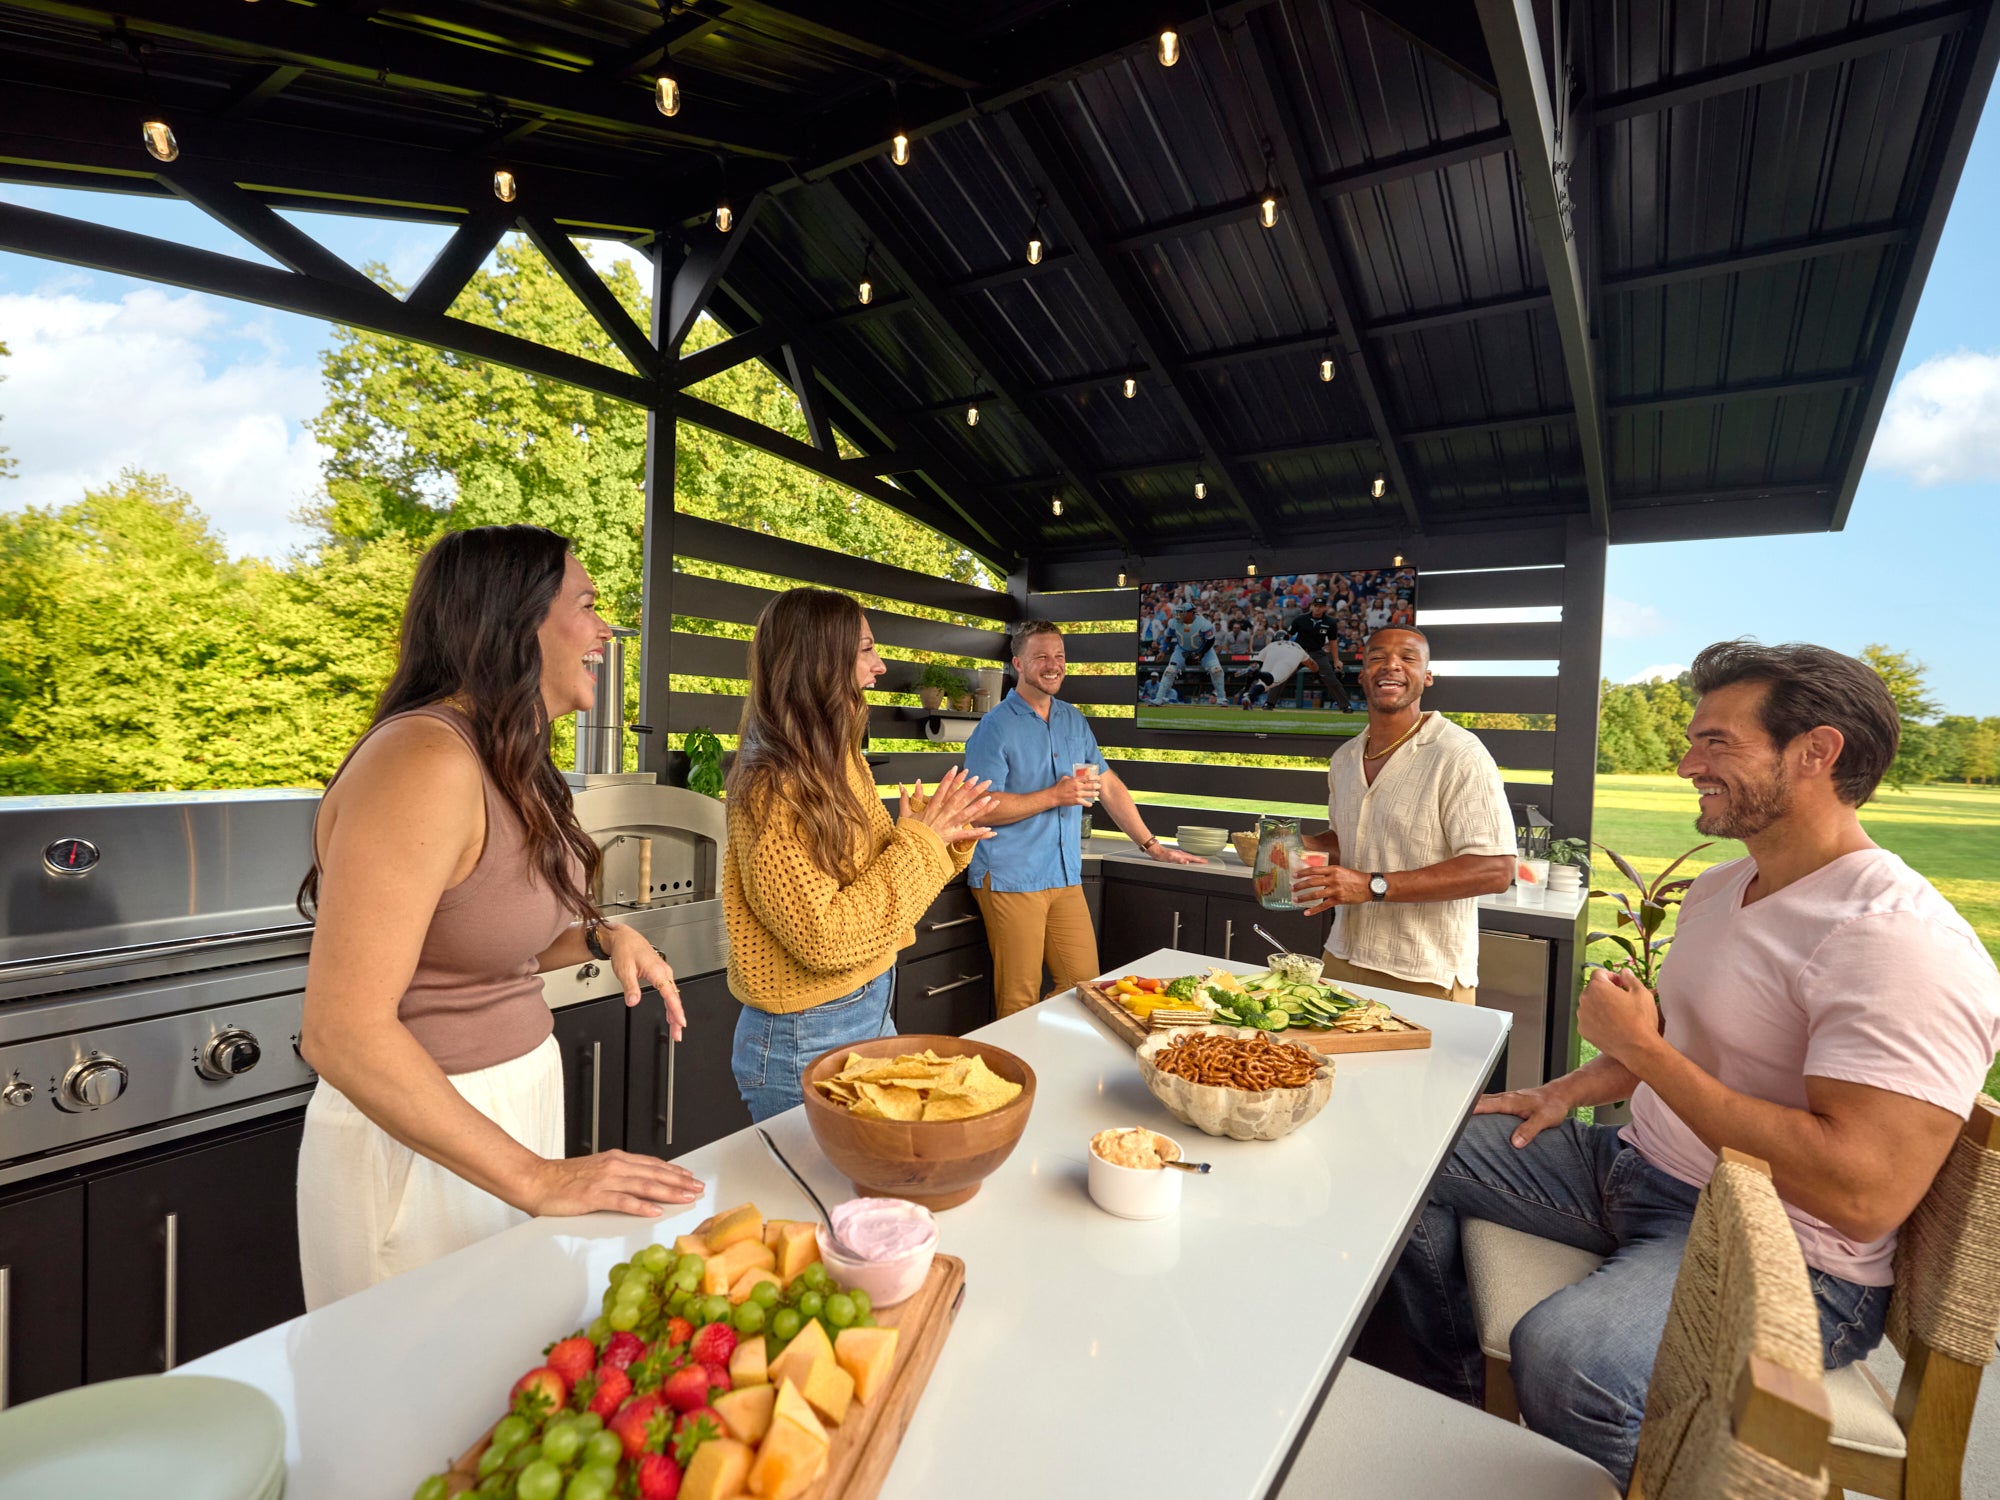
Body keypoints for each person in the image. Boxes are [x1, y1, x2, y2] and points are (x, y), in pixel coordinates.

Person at [1356, 639, 2000, 1489]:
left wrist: (1643, 1051)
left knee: (1568, 1357)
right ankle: (1456, 1409)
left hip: (1790, 1255)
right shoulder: (1720, 889)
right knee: (1398, 1140)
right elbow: (1689, 1049)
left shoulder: (1897, 941)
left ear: (1817, 752)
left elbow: (1861, 1189)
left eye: (1717, 742)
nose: (1687, 761)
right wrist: (1566, 1089)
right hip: (1636, 1168)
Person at [295, 525, 704, 1310]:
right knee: (418, 1416)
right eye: (586, 605)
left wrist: (601, 934)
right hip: (418, 1145)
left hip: (507, 1114)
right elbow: (342, 1032)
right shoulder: (424, 760)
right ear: (516, 620)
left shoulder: (507, 758)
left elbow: (487, 934)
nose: (605, 629)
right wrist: (536, 1177)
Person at [723, 588, 995, 1120]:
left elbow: (871, 886)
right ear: (822, 663)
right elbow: (826, 937)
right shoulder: (770, 788)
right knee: (815, 1201)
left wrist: (933, 837)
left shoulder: (840, 757)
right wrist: (920, 843)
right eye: (866, 650)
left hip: (869, 1004)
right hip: (804, 1032)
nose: (881, 665)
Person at [966, 621, 1203, 1016]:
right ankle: (1021, 1074)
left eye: (1059, 656)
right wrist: (1053, 796)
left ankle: (1050, 1057)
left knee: (1085, 986)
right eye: (1041, 656)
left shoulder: (1072, 720)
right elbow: (981, 804)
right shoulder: (995, 727)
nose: (1053, 665)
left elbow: (1108, 786)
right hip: (1011, 877)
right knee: (1019, 997)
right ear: (1018, 665)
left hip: (1063, 874)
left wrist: (1153, 846)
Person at [1290, 627, 1515, 1003]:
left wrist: (1371, 886)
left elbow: (1496, 870)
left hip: (1426, 974)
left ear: (1426, 676)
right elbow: (1353, 841)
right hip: (1341, 960)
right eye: (1377, 657)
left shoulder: (1459, 754)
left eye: (1407, 658)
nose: (1390, 665)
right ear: (1362, 674)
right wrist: (1295, 846)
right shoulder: (1345, 758)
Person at [1285, 596, 1354, 710]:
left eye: (1320, 607)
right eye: (1315, 606)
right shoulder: (1300, 619)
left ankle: (1345, 706)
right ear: (1311, 606)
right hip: (1299, 652)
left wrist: (1336, 660)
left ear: (1325, 608)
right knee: (1282, 675)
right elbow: (1288, 635)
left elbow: (1333, 642)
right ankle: (1269, 703)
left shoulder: (1330, 622)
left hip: (1317, 653)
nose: (1317, 609)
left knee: (1331, 679)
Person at [1150, 602, 1225, 705]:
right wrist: (1162, 651)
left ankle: (1221, 698)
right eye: (1179, 612)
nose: (1179, 615)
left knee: (1217, 670)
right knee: (1170, 671)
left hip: (1203, 650)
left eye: (1183, 612)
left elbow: (1210, 640)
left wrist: (1201, 654)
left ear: (1191, 613)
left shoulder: (1203, 624)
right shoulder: (1174, 622)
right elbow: (1168, 636)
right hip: (1182, 650)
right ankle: (1159, 698)